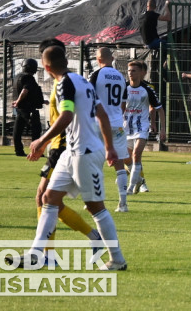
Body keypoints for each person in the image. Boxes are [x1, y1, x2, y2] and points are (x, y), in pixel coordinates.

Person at [21, 46, 126, 270]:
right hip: (73, 151)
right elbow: (102, 114)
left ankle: (117, 259)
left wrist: (42, 140)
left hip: (85, 152)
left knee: (95, 207)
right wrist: (109, 148)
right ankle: (36, 254)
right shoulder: (83, 81)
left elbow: (67, 115)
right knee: (49, 198)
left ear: (46, 67)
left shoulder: (63, 84)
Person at [89, 47, 130, 212]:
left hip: (99, 123)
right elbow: (123, 103)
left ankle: (95, 202)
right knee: (119, 164)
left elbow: (88, 97)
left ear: (98, 59)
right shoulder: (120, 77)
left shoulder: (96, 75)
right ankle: (123, 203)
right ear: (111, 58)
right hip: (117, 123)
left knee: (94, 163)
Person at [122, 61, 164, 196]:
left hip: (142, 127)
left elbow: (159, 109)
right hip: (126, 128)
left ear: (141, 73)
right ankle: (140, 180)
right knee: (125, 159)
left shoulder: (147, 89)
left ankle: (131, 187)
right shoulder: (123, 88)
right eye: (129, 70)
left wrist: (162, 128)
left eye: (134, 70)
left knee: (136, 155)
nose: (130, 73)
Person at [12, 58, 45, 157]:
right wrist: (18, 101)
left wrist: (42, 101)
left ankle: (19, 151)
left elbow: (30, 93)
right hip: (29, 108)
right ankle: (36, 151)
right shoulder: (29, 78)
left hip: (20, 109)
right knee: (36, 130)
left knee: (17, 131)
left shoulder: (18, 77)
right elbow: (25, 91)